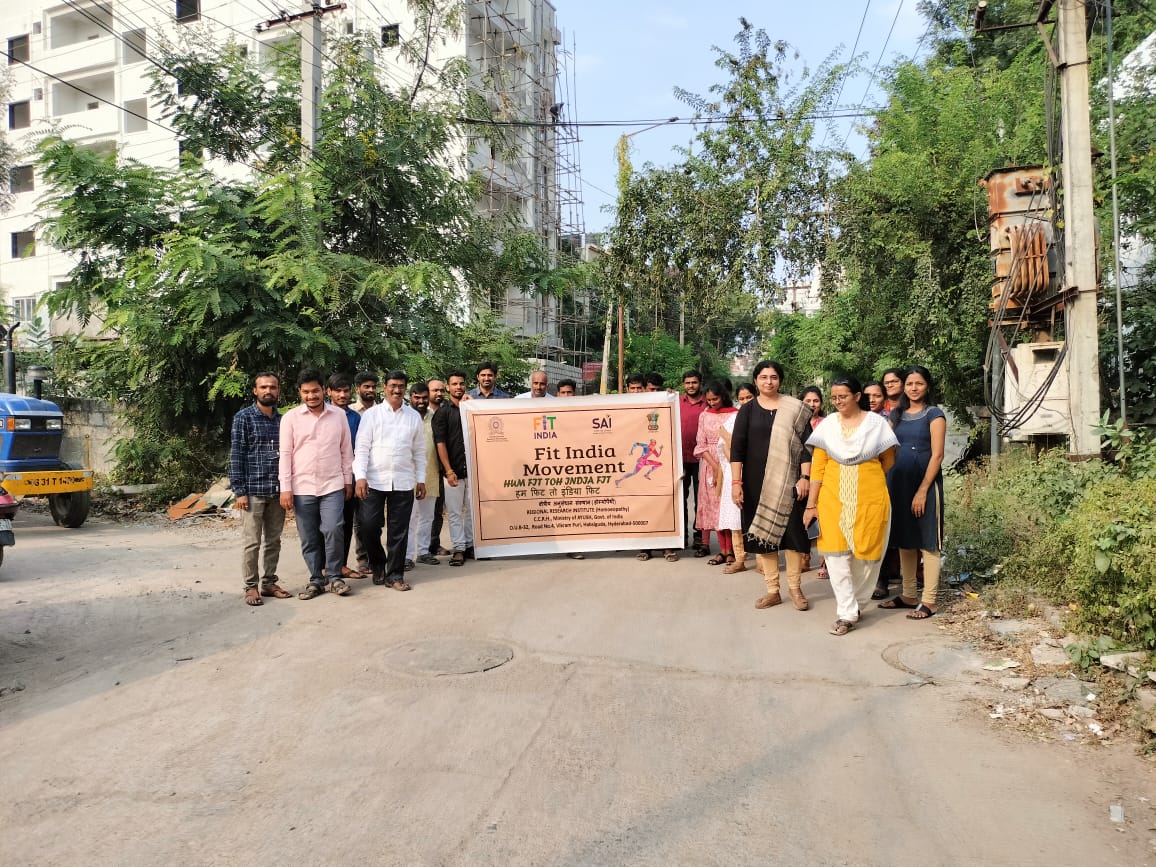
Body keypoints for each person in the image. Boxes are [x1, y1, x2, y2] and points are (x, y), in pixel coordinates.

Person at [803, 376, 899, 636]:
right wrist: (811, 505)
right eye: (834, 397)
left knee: (867, 557)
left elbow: (888, 461)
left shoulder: (877, 425)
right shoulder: (827, 426)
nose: (837, 402)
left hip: (870, 498)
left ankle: (857, 604)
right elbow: (819, 468)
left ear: (857, 396)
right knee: (836, 557)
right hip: (832, 499)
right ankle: (846, 612)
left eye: (842, 396)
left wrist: (862, 474)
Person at [729, 360, 813, 610]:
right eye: (763, 377)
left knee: (794, 537)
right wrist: (736, 482)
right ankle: (772, 590)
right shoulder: (747, 410)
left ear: (780, 380)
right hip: (756, 483)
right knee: (764, 536)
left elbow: (808, 447)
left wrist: (805, 478)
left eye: (774, 377)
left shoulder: (795, 409)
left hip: (790, 481)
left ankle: (795, 588)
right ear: (755, 381)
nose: (769, 381)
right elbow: (737, 449)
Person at [879, 365, 947, 620]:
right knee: (905, 541)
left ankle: (929, 600)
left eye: (919, 383)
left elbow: (937, 455)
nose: (914, 388)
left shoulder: (934, 414)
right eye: (909, 384)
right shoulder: (896, 415)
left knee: (928, 542)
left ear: (927, 385)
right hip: (898, 485)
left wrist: (922, 490)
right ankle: (909, 595)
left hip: (925, 486)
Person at [280, 369, 354, 600]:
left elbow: (346, 450)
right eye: (306, 392)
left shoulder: (338, 416)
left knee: (333, 529)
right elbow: (285, 453)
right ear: (300, 393)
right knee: (309, 537)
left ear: (324, 390)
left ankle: (334, 577)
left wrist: (348, 480)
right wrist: (286, 488)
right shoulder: (290, 418)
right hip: (302, 488)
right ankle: (316, 579)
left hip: (332, 485)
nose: (311, 396)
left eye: (315, 391)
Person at [354, 370, 427, 590]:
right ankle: (378, 566)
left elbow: (419, 452)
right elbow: (362, 449)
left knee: (399, 530)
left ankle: (395, 575)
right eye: (393, 385)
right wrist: (361, 477)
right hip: (374, 481)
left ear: (405, 389)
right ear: (384, 387)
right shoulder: (372, 415)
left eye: (401, 386)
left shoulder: (413, 417)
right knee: (368, 527)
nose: (397, 390)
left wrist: (420, 480)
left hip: (403, 481)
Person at [230, 372, 291, 606]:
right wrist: (240, 491)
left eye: (273, 387)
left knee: (273, 541)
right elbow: (236, 456)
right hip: (252, 491)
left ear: (278, 391)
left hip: (277, 491)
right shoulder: (243, 418)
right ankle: (250, 586)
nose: (268, 391)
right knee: (252, 542)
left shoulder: (283, 421)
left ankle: (269, 582)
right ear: (255, 391)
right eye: (263, 387)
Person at [693, 380, 739, 566]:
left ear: (724, 396)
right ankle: (723, 550)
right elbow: (700, 444)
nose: (712, 403)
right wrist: (713, 465)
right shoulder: (704, 415)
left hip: (731, 462)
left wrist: (727, 463)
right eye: (709, 400)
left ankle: (734, 550)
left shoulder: (735, 414)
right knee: (715, 508)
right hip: (710, 465)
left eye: (715, 399)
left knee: (729, 506)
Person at [327, 373, 364, 582]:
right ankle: (323, 568)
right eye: (337, 391)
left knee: (346, 523)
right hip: (325, 479)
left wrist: (355, 478)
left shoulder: (354, 417)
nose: (342, 395)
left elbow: (358, 449)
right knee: (326, 526)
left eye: (345, 390)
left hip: (349, 477)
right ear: (328, 391)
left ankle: (340, 565)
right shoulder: (322, 413)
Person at [433, 371, 472, 566]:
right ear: (448, 388)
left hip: (472, 471)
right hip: (453, 471)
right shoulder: (443, 412)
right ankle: (458, 548)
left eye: (461, 383)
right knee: (455, 512)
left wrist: (473, 404)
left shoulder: (471, 408)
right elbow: (440, 443)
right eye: (454, 384)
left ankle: (470, 545)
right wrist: (448, 470)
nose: (458, 387)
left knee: (473, 510)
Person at [404, 381, 442, 569]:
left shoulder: (435, 417)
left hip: (431, 474)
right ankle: (408, 556)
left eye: (424, 398)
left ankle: (424, 552)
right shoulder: (405, 417)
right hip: (408, 476)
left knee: (427, 516)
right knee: (409, 518)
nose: (421, 401)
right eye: (416, 397)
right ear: (410, 398)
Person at [721, 383, 755, 574]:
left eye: (749, 397)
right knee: (735, 518)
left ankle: (761, 559)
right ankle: (740, 559)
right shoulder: (731, 420)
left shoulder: (763, 417)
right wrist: (737, 466)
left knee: (757, 516)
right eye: (741, 398)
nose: (745, 402)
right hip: (735, 474)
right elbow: (725, 447)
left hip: (758, 472)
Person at [680, 370, 708, 555]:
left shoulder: (708, 403)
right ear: (683, 384)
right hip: (680, 459)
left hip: (702, 460)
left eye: (694, 382)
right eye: (688, 382)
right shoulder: (675, 402)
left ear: (700, 383)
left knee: (701, 499)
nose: (691, 385)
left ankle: (700, 536)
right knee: (680, 499)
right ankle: (681, 536)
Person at [426, 378, 448, 556]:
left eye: (441, 390)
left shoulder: (447, 411)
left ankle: (434, 543)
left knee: (437, 510)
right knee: (420, 512)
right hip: (425, 469)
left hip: (443, 468)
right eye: (435, 390)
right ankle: (419, 547)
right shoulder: (419, 413)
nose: (439, 393)